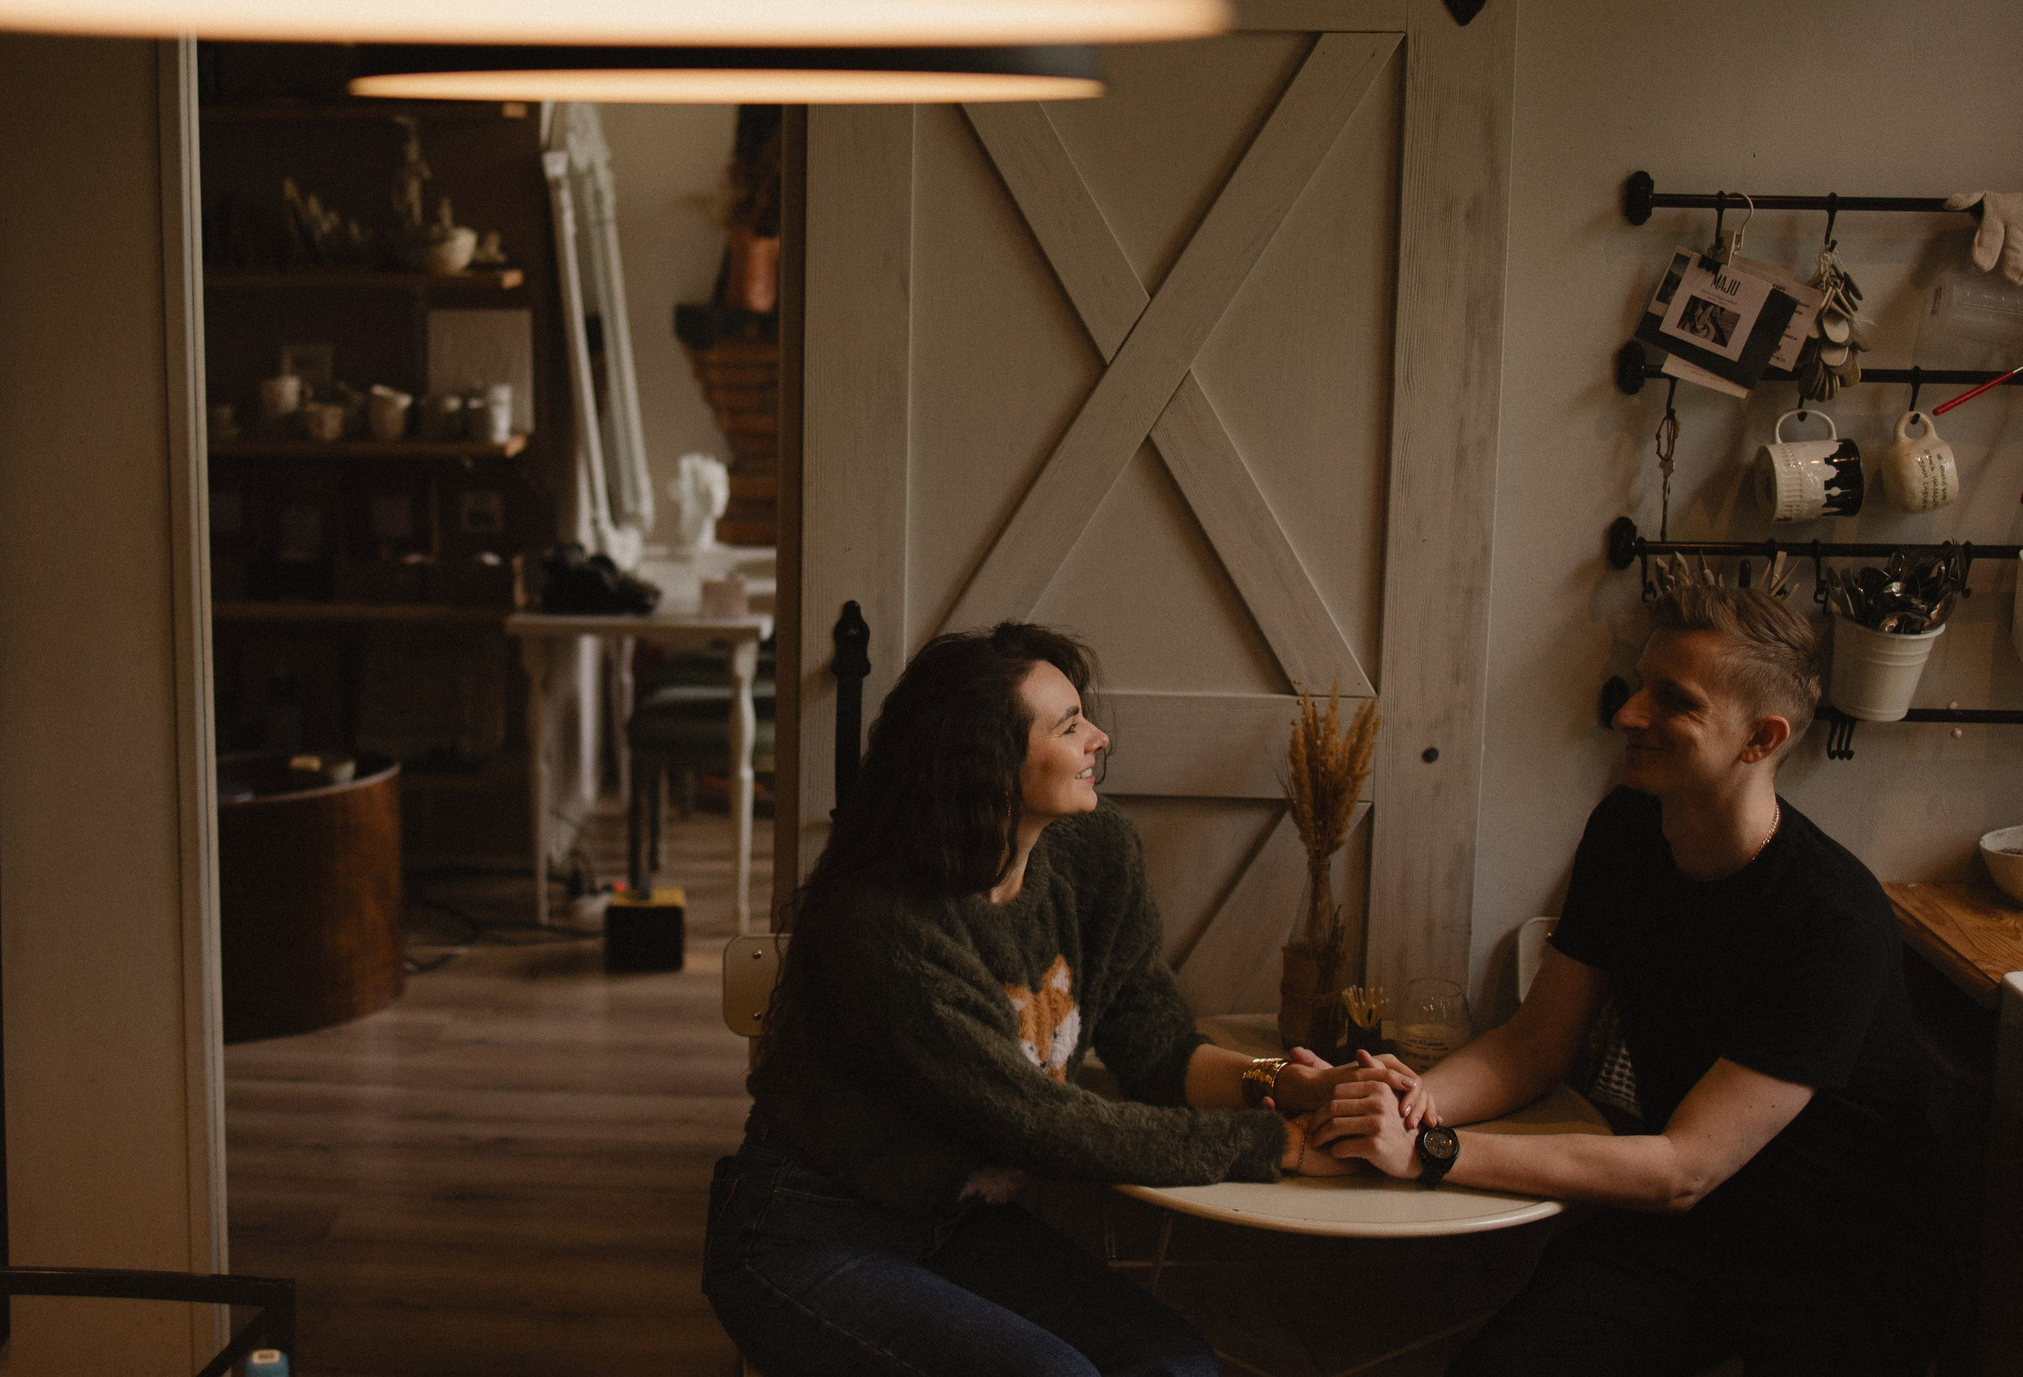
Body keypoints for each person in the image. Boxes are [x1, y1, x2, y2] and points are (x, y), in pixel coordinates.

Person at [703, 622, 1409, 1377]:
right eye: (1071, 726)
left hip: (955, 1226)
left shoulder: (1096, 857)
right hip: (809, 1232)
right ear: (988, 763)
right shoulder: (881, 922)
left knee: (1175, 1363)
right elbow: (1035, 1123)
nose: (1099, 738)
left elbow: (1158, 1049)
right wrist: (1279, 1147)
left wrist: (1282, 1086)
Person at [1311, 583, 1951, 1375]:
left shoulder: (1833, 921)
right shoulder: (1628, 830)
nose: (1627, 715)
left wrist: (1432, 1151)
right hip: (1689, 1239)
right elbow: (1535, 1046)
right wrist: (1413, 1100)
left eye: (1672, 701)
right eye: (1640, 685)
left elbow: (1683, 1168)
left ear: (1761, 738)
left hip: (1841, 1264)